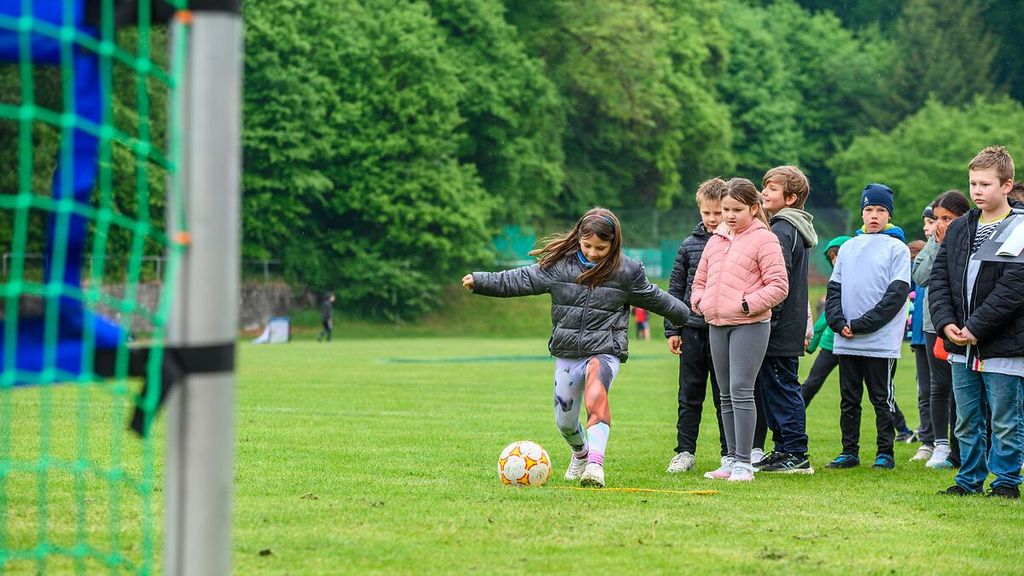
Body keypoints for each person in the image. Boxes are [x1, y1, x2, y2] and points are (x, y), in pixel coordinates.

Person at [462, 207, 689, 488]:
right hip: (568, 351)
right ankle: (580, 453)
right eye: (587, 245)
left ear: (614, 243)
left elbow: (658, 299)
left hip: (605, 349)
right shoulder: (559, 267)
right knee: (565, 422)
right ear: (578, 239)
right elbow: (520, 279)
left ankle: (595, 466)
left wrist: (688, 317)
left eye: (601, 248)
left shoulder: (627, 272)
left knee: (596, 395)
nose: (593, 253)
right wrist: (481, 281)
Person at [930, 146, 1024, 499]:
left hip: (1003, 344)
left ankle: (1006, 482)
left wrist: (976, 327)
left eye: (986, 184)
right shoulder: (960, 228)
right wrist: (946, 323)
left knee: (1005, 419)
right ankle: (968, 479)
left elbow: (1014, 289)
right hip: (960, 345)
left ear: (1007, 185)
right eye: (973, 183)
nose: (977, 191)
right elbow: (939, 279)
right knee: (967, 419)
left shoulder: (1020, 228)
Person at [691, 178, 789, 482]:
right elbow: (699, 281)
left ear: (754, 208)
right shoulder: (715, 240)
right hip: (716, 324)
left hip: (750, 325)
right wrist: (700, 301)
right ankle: (731, 459)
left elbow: (779, 286)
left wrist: (747, 305)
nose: (730, 216)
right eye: (726, 210)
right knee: (725, 395)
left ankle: (745, 463)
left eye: (737, 209)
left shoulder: (765, 240)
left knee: (742, 391)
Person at [825, 183, 911, 471]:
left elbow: (896, 295)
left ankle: (885, 452)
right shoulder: (849, 247)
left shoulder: (897, 249)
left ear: (889, 214)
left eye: (881, 210)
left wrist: (863, 324)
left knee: (881, 398)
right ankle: (849, 451)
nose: (874, 215)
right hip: (847, 337)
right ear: (862, 212)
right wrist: (838, 322)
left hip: (879, 340)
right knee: (849, 399)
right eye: (869, 209)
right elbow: (834, 289)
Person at [753, 166, 817, 474]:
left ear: (790, 198)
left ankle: (795, 452)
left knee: (782, 388)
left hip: (779, 327)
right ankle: (782, 449)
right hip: (786, 325)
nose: (764, 192)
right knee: (774, 388)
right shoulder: (791, 227)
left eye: (772, 188)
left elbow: (777, 282)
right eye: (765, 186)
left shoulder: (782, 230)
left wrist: (769, 320)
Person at [664, 178, 728, 473]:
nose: (713, 219)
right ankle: (685, 452)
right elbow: (675, 290)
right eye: (707, 213)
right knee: (689, 394)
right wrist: (673, 329)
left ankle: (730, 453)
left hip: (724, 329)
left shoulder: (736, 243)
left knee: (724, 395)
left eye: (719, 212)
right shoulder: (688, 245)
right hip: (691, 330)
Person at [913, 190, 970, 469]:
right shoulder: (932, 243)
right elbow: (920, 277)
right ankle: (940, 445)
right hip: (933, 323)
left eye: (948, 218)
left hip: (965, 323)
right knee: (939, 386)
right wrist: (937, 244)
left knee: (964, 387)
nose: (941, 224)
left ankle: (963, 447)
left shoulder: (972, 238)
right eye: (937, 218)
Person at [801, 235, 851, 407]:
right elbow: (826, 318)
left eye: (838, 255)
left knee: (866, 390)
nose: (835, 260)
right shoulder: (834, 281)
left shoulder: (858, 281)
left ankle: (899, 423)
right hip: (831, 343)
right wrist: (812, 342)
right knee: (811, 384)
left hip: (853, 343)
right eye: (832, 257)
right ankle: (791, 419)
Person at [907, 236, 935, 460]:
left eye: (931, 221)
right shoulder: (920, 263)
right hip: (920, 335)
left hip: (942, 333)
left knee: (946, 391)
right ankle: (928, 440)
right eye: (927, 221)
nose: (928, 227)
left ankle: (949, 441)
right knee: (924, 391)